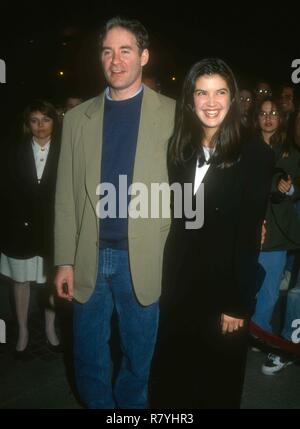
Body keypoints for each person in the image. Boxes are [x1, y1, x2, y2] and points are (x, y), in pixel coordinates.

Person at [54, 16, 175, 409]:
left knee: (138, 360)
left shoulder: (175, 115)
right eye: (107, 51)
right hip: (89, 258)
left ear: (144, 56)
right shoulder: (75, 120)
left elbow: (198, 184)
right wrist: (63, 261)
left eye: (125, 50)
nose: (116, 60)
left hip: (142, 260)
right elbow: (66, 197)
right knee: (88, 359)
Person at [150, 58, 274, 409]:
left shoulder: (255, 156)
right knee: (175, 379)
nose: (211, 102)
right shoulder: (180, 149)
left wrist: (238, 304)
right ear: (189, 100)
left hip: (225, 294)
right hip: (180, 286)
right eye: (201, 93)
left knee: (216, 385)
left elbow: (249, 238)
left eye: (220, 92)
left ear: (233, 98)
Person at [0, 100, 61, 358]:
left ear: (54, 122)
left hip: (51, 230)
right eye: (34, 121)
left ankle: (50, 328)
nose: (40, 126)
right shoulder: (13, 150)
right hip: (20, 230)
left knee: (50, 283)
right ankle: (23, 330)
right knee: (21, 281)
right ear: (28, 124)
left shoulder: (64, 151)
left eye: (45, 120)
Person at [250, 97, 300, 374]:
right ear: (256, 118)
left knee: (269, 289)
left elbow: (299, 187)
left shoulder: (291, 152)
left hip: (277, 233)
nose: (268, 118)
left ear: (281, 119)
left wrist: (290, 189)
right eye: (263, 113)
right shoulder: (246, 148)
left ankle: (261, 334)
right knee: (247, 284)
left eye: (273, 114)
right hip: (248, 229)